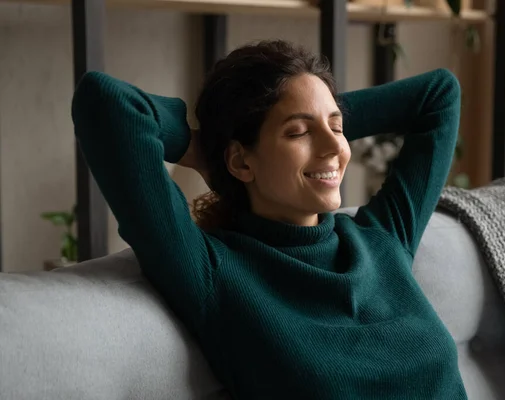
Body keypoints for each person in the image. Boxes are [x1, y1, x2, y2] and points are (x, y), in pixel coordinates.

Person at [71, 39, 464, 399]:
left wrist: (314, 121)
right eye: (298, 133)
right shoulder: (213, 272)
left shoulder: (382, 238)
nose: (335, 148)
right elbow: (105, 101)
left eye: (337, 127)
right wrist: (205, 146)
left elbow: (439, 94)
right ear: (241, 160)